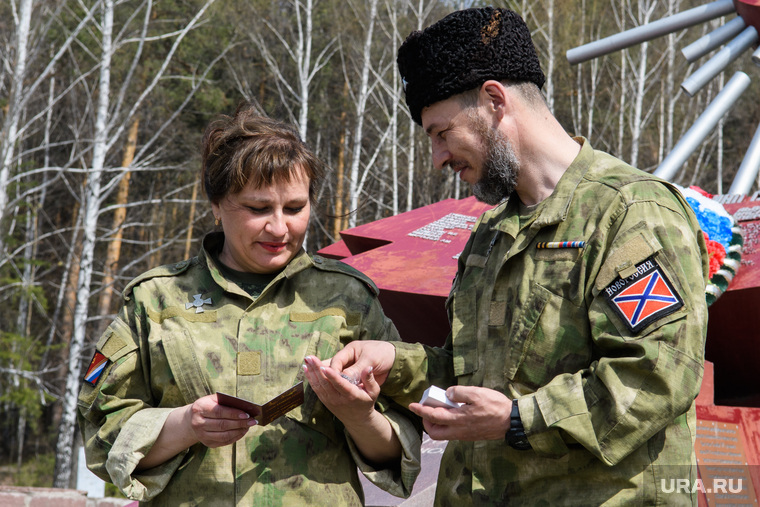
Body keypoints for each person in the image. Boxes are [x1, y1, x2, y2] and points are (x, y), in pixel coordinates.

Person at [330, 6, 709, 505]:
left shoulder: (630, 213)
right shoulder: (492, 231)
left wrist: (515, 420)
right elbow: (476, 380)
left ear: (493, 100)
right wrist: (393, 363)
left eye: (441, 132)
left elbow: (655, 376)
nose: (438, 157)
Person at [77, 106, 421, 505]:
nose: (279, 228)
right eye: (258, 209)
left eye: (294, 208)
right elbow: (104, 434)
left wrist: (358, 415)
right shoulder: (155, 300)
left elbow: (405, 447)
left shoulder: (349, 300)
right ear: (217, 206)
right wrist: (185, 424)